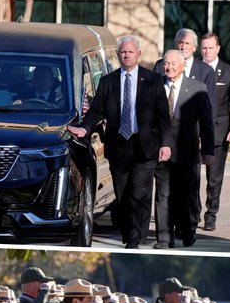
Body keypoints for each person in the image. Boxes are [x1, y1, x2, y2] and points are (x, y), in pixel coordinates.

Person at [67, 35, 172, 249]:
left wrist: (166, 144)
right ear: (119, 54)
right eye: (123, 51)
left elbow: (163, 116)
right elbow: (96, 110)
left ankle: (133, 240)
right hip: (119, 147)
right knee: (123, 195)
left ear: (139, 54)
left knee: (138, 194)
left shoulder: (152, 81)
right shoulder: (108, 82)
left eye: (131, 51)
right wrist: (84, 128)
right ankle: (130, 233)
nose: (126, 55)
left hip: (145, 147)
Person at [154, 50, 215, 248]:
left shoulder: (197, 88)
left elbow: (207, 122)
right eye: (166, 63)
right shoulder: (155, 86)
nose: (169, 67)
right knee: (163, 196)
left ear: (182, 66)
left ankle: (188, 231)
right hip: (161, 153)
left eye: (173, 63)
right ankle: (164, 238)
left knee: (187, 194)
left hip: (187, 153)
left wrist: (208, 150)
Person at [199, 33, 230, 231]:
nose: (206, 51)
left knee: (214, 178)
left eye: (210, 47)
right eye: (203, 47)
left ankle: (210, 215)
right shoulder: (193, 69)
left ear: (218, 48)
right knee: (190, 177)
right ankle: (192, 212)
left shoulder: (229, 72)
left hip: (219, 132)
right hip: (193, 132)